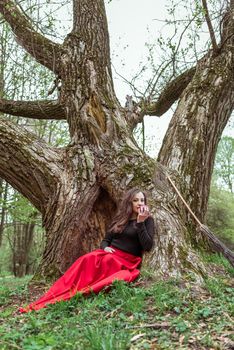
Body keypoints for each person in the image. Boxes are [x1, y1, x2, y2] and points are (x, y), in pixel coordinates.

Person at [19, 188, 155, 313]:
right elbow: (105, 240)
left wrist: (141, 222)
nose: (139, 203)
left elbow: (147, 245)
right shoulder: (120, 220)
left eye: (142, 200)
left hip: (126, 261)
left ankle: (82, 290)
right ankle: (63, 290)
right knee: (86, 259)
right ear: (128, 203)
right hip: (108, 253)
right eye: (135, 200)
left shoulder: (147, 221)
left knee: (107, 261)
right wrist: (105, 248)